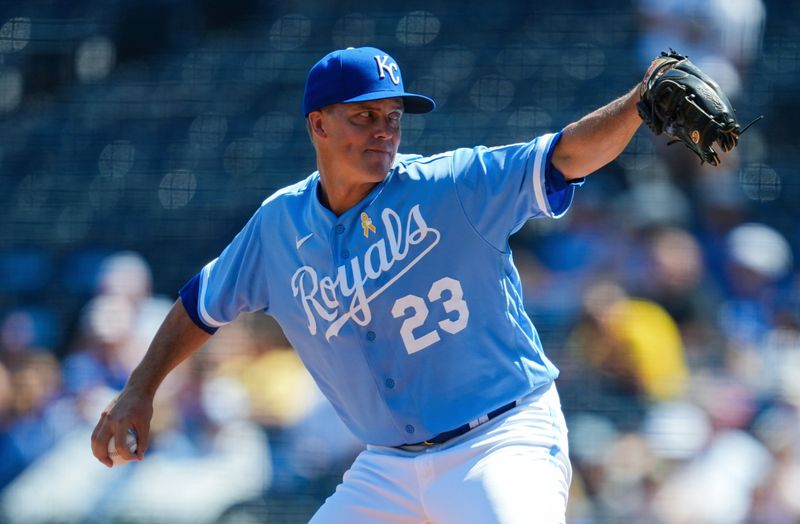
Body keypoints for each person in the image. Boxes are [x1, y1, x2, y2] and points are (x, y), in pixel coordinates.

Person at [91, 46, 645, 523]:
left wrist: (639, 102)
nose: (385, 129)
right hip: (390, 465)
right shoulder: (277, 226)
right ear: (318, 124)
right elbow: (199, 305)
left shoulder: (449, 186)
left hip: (500, 439)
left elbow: (565, 155)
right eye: (365, 116)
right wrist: (140, 388)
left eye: (393, 116)